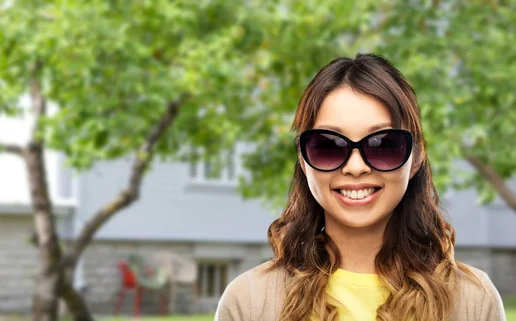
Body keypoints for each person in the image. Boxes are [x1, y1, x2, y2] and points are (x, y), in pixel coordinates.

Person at [215, 53, 506, 321]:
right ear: (303, 160)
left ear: (415, 158)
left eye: (383, 144)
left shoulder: (473, 301)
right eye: (329, 145)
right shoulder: (248, 302)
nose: (355, 167)